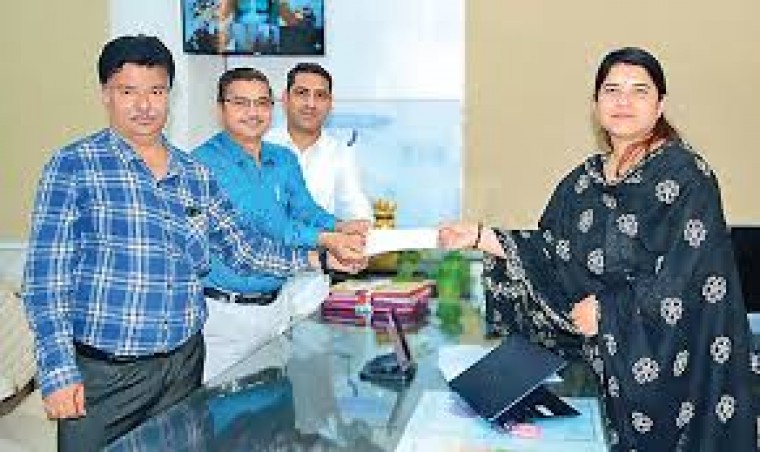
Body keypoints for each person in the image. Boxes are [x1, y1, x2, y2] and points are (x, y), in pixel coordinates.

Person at [20, 34, 361, 451]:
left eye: (156, 91)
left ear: (170, 94)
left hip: (183, 367)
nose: (144, 105)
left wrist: (321, 260)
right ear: (106, 94)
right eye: (128, 91)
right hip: (107, 376)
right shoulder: (73, 166)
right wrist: (57, 370)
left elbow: (245, 249)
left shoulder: (194, 174)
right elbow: (45, 280)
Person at [439, 47, 754, 450]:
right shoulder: (583, 182)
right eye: (612, 90)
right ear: (596, 104)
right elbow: (553, 253)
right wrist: (481, 236)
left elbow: (690, 274)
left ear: (660, 105)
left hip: (676, 370)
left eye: (639, 91)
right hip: (601, 369)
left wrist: (609, 311)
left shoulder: (688, 177)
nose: (624, 101)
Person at [193, 67, 368, 382]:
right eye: (240, 103)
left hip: (277, 307)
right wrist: (327, 243)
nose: (253, 113)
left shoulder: (282, 158)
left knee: (279, 406)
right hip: (227, 317)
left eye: (262, 103)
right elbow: (265, 231)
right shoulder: (205, 164)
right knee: (226, 410)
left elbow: (305, 210)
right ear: (220, 109)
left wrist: (342, 228)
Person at [267, 62, 373, 221]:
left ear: (330, 104)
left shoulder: (339, 153)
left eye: (320, 95)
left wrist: (358, 225)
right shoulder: (260, 146)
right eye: (302, 93)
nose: (310, 104)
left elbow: (357, 210)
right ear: (285, 99)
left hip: (322, 237)